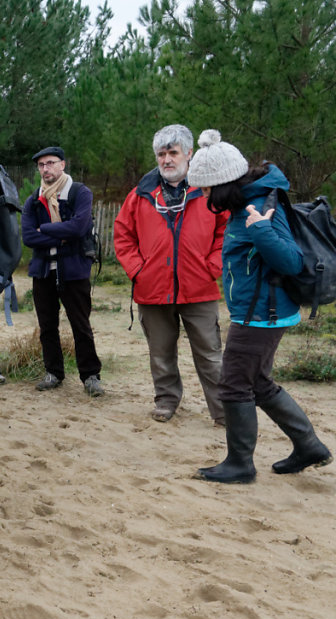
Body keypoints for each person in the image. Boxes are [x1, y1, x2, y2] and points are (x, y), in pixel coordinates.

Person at [186, 129, 332, 484]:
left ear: (222, 183)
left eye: (205, 188)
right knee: (260, 382)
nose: (204, 195)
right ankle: (308, 445)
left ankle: (239, 463)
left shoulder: (258, 206)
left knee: (234, 384)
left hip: (260, 315)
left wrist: (263, 232)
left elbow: (293, 262)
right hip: (257, 311)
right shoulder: (246, 202)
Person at [114, 125, 227, 425]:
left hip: (199, 287)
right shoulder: (140, 195)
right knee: (160, 353)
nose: (166, 159)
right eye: (161, 154)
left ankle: (224, 409)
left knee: (210, 355)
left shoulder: (208, 188)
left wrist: (212, 266)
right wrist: (138, 270)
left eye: (173, 152)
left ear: (189, 154)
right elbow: (123, 235)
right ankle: (166, 400)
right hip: (152, 289)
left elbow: (225, 230)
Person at [22, 146, 104, 397]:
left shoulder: (80, 192)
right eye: (41, 165)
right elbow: (27, 237)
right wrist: (61, 235)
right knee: (47, 326)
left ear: (62, 165)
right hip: (43, 270)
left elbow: (79, 227)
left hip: (74, 270)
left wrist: (43, 230)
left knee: (81, 325)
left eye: (50, 163)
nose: (45, 169)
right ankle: (54, 372)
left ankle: (90, 375)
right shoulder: (34, 199)